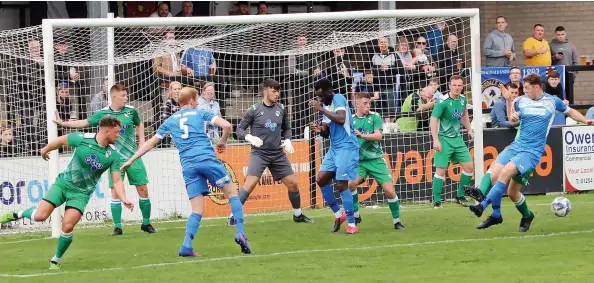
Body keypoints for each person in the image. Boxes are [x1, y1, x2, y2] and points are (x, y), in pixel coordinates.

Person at [121, 87, 251, 256]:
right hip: (206, 159)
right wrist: (222, 142)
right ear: (191, 101)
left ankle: (187, 245)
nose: (197, 102)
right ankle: (240, 232)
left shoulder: (170, 120)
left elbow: (150, 142)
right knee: (232, 193)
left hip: (189, 166)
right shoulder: (200, 114)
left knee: (197, 209)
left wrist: (131, 159)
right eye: (196, 99)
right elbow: (227, 125)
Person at [0, 117, 133, 269]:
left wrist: (123, 198)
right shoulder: (82, 138)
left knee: (67, 226)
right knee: (40, 216)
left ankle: (55, 260)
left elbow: (116, 181)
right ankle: (19, 214)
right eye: (117, 132)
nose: (119, 135)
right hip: (63, 184)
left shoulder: (114, 156)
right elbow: (61, 141)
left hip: (81, 194)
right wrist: (45, 150)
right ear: (106, 130)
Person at [467, 74, 593, 232]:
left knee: (509, 184)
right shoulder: (521, 101)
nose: (524, 91)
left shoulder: (552, 101)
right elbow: (514, 120)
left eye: (526, 88)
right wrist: (513, 116)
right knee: (494, 173)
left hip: (532, 152)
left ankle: (483, 205)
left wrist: (585, 120)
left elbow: (570, 112)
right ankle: (495, 211)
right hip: (516, 145)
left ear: (537, 87)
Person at [54, 84, 155, 235]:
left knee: (143, 188)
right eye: (123, 95)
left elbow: (139, 124)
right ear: (114, 97)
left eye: (126, 95)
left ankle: (146, 223)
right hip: (113, 158)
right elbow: (85, 123)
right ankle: (118, 226)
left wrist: (142, 142)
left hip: (133, 156)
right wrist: (64, 123)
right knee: (115, 191)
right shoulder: (103, 114)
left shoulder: (131, 111)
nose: (126, 98)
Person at [230, 79, 312, 225]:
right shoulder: (254, 109)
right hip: (259, 154)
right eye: (274, 91)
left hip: (278, 154)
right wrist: (249, 137)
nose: (277, 94)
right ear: (265, 91)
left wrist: (288, 140)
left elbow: (287, 127)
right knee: (250, 183)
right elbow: (239, 129)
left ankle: (297, 215)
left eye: (278, 91)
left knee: (293, 183)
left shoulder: (281, 108)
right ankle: (233, 216)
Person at [309, 79, 360, 234]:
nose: (320, 100)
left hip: (347, 146)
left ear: (330, 92)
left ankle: (352, 224)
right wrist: (320, 130)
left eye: (322, 97)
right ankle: (338, 215)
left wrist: (321, 109)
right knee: (321, 179)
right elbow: (327, 131)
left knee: (341, 184)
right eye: (318, 97)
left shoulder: (339, 98)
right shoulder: (325, 105)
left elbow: (341, 119)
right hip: (334, 148)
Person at [348, 92, 404, 230]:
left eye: (369, 103)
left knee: (390, 191)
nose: (368, 106)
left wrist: (362, 135)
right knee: (351, 183)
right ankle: (355, 215)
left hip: (376, 160)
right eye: (365, 103)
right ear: (357, 104)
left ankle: (397, 221)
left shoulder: (375, 117)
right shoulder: (350, 120)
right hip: (360, 162)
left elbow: (379, 136)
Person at [430, 75, 474, 208]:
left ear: (462, 86)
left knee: (469, 167)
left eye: (459, 85)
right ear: (449, 86)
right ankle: (437, 201)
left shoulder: (462, 100)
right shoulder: (442, 101)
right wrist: (436, 140)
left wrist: (469, 129)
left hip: (457, 139)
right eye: (454, 85)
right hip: (443, 139)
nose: (457, 88)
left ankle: (460, 196)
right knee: (441, 171)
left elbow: (465, 114)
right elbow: (433, 119)